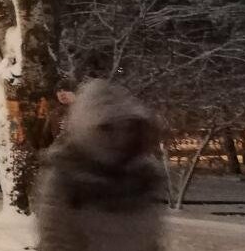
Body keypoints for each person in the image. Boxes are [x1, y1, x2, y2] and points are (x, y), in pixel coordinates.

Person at [35, 80, 164, 251]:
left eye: (129, 127)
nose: (121, 136)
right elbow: (55, 240)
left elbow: (151, 239)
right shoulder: (65, 178)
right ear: (87, 129)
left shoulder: (144, 177)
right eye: (107, 129)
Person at [41, 83, 77, 149]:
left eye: (66, 90)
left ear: (75, 92)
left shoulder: (88, 108)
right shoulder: (53, 115)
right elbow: (46, 139)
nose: (62, 93)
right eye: (59, 91)